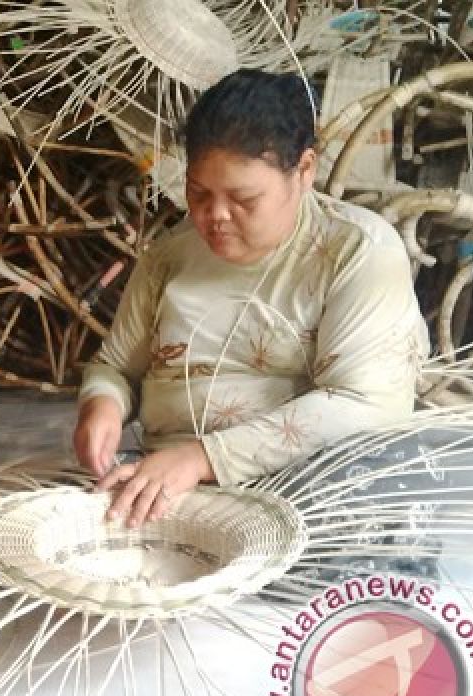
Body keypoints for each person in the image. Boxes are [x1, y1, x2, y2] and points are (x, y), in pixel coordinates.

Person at [73, 69, 430, 536]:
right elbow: (116, 367)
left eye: (243, 198)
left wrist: (203, 458)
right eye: (198, 193)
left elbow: (365, 403)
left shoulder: (358, 250)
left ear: (304, 170)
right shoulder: (168, 257)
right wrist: (101, 406)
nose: (214, 216)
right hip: (167, 478)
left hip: (305, 482)